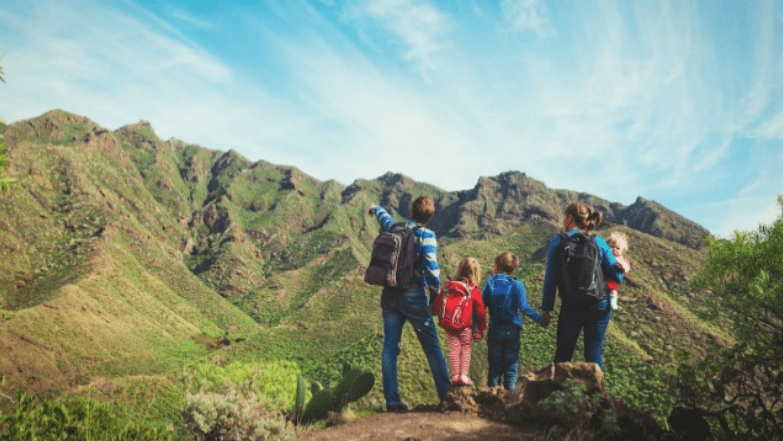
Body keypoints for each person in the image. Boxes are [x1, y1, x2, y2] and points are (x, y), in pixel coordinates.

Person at [368, 196, 451, 412]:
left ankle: (392, 402)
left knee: (389, 348)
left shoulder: (396, 227)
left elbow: (384, 218)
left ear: (411, 211)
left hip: (390, 294)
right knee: (432, 347)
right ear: (431, 216)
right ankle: (446, 396)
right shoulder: (427, 235)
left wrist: (376, 208)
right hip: (414, 295)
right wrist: (434, 297)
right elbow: (432, 268)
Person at [540, 202, 624, 370]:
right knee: (593, 355)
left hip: (571, 306)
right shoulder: (598, 241)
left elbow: (550, 279)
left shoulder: (558, 241)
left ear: (570, 219)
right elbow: (618, 276)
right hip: (599, 304)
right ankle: (596, 394)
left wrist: (546, 310)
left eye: (564, 217)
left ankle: (559, 393)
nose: (563, 220)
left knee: (563, 355)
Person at [482, 251, 546, 391]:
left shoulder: (489, 283)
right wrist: (541, 319)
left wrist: (476, 326)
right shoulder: (518, 284)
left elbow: (481, 306)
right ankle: (509, 400)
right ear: (514, 268)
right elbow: (524, 307)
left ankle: (492, 398)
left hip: (494, 329)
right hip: (512, 330)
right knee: (511, 368)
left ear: (496, 266)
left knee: (494, 368)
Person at [432, 257, 487, 386]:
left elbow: (439, 302)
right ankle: (463, 375)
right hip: (465, 326)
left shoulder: (448, 286)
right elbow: (480, 311)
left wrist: (436, 313)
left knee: (454, 348)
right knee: (466, 348)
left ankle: (456, 375)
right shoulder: (473, 290)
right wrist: (481, 329)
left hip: (449, 325)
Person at [605, 232, 631, 311]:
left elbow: (626, 267)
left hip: (612, 280)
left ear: (622, 250)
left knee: (613, 290)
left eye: (618, 248)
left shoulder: (621, 259)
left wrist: (622, 267)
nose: (615, 249)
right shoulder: (606, 256)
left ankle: (612, 301)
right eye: (612, 247)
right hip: (602, 278)